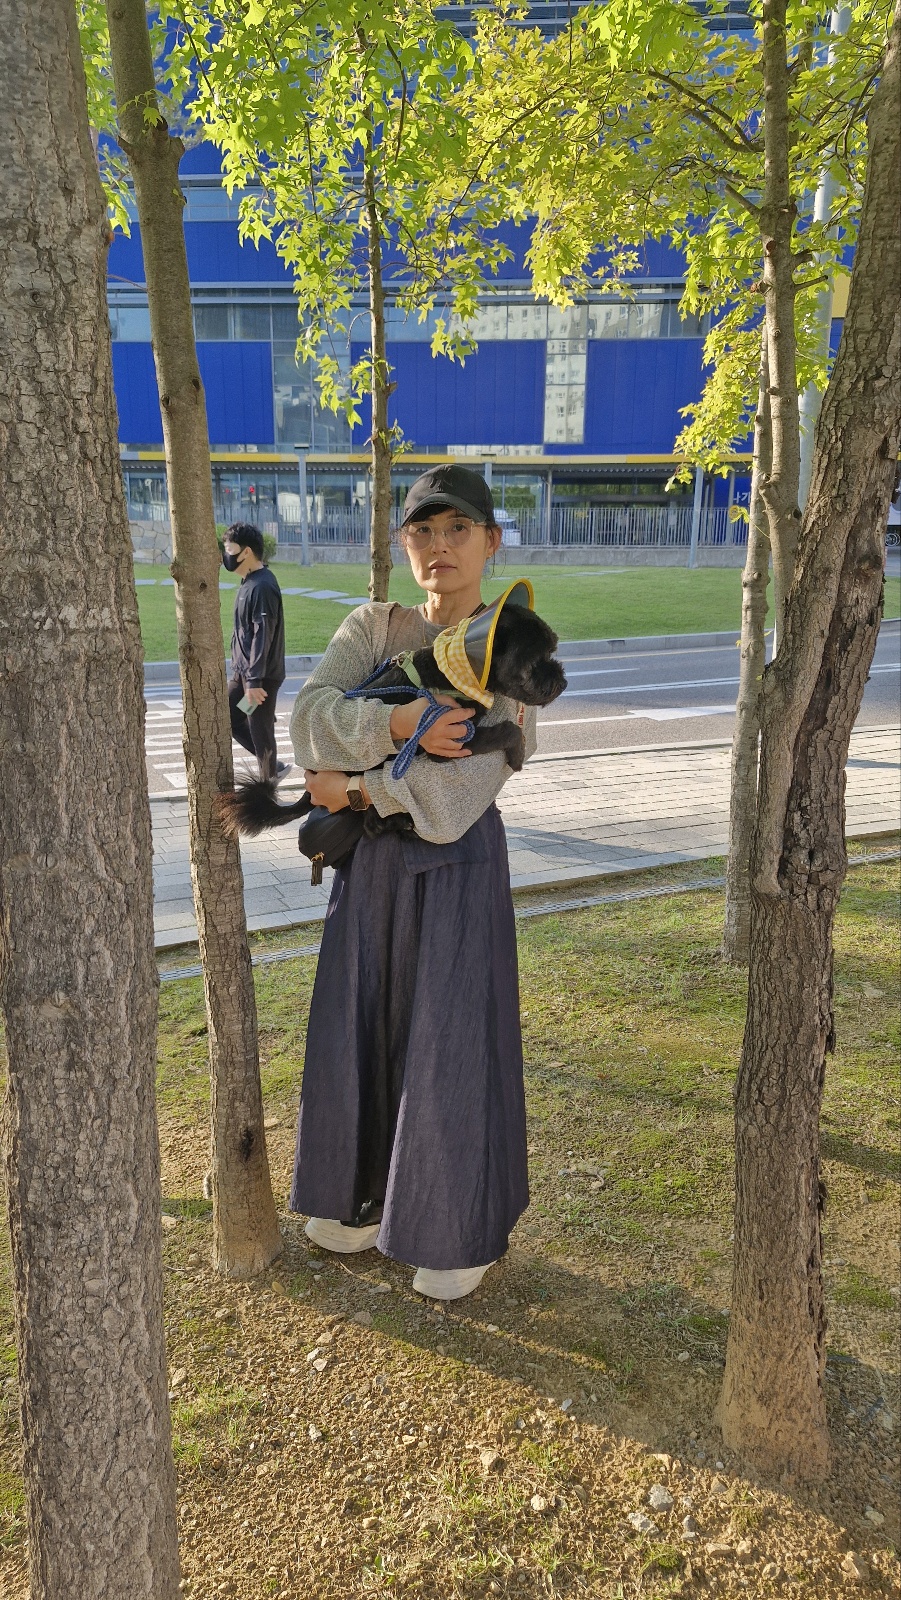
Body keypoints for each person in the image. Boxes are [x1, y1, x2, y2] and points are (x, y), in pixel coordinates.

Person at [287, 464, 537, 1301]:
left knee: (449, 1043)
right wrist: (394, 723)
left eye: (457, 529)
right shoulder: (372, 624)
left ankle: (454, 1229)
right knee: (359, 1026)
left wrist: (352, 786)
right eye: (422, 532)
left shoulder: (508, 642)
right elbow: (305, 719)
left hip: (454, 866)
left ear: (489, 541)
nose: (438, 547)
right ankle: (357, 1201)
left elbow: (461, 791)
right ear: (403, 544)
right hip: (369, 870)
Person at [222, 523, 287, 779]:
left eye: (230, 550)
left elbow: (263, 635)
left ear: (246, 552)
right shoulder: (248, 582)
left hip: (260, 678)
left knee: (260, 729)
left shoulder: (262, 586)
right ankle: (273, 769)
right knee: (232, 718)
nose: (225, 555)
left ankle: (269, 783)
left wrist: (254, 681)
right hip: (244, 674)